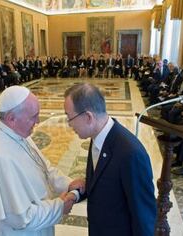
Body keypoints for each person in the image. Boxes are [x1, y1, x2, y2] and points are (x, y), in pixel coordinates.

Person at [0, 86, 83, 235]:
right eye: (33, 116)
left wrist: (68, 184)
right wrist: (60, 206)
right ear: (11, 118)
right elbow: (22, 219)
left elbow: (43, 167)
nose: (38, 121)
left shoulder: (15, 130)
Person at [64, 83, 156, 235]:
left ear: (88, 117)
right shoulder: (98, 137)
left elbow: (144, 217)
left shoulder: (131, 154)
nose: (69, 124)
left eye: (70, 117)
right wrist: (76, 194)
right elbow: (104, 184)